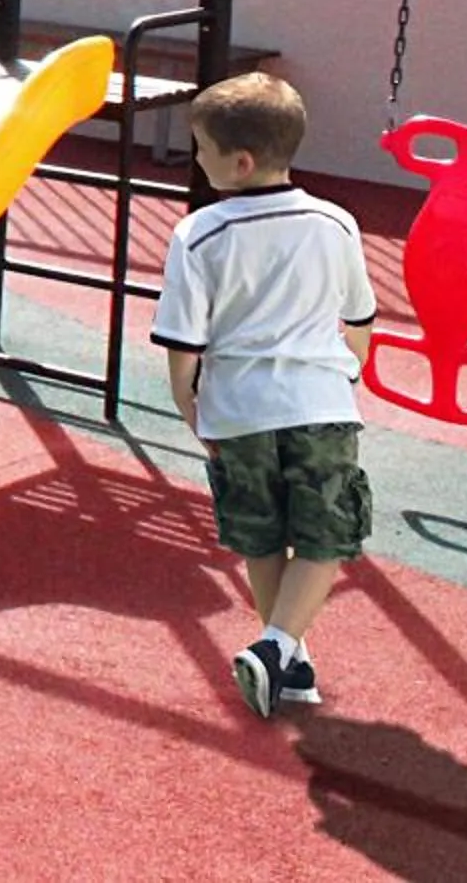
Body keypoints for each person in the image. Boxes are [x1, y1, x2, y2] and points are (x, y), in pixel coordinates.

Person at [153, 73, 374, 721]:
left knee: (259, 533)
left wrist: (187, 405)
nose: (196, 159)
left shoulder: (198, 234)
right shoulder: (336, 223)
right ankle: (281, 649)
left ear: (238, 162)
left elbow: (182, 342)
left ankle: (286, 657)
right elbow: (359, 316)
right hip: (320, 406)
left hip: (238, 409)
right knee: (324, 536)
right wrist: (348, 376)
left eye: (201, 149)